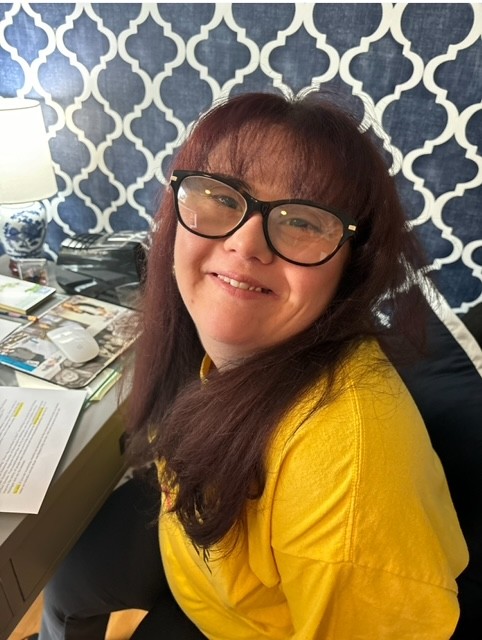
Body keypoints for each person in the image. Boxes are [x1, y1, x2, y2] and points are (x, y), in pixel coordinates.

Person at [32, 91, 468, 640]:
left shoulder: (349, 472)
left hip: (242, 621)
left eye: (305, 222)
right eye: (219, 196)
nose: (245, 243)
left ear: (349, 270)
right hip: (197, 548)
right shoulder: (227, 342)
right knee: (69, 578)